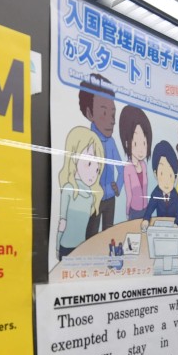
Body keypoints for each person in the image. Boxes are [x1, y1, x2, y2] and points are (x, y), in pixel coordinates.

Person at [78, 74, 122, 237]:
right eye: (104, 112)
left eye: (113, 113)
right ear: (90, 113)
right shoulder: (87, 141)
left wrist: (118, 186)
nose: (112, 120)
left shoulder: (111, 143)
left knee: (108, 235)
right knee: (91, 235)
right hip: (94, 198)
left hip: (110, 198)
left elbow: (121, 168)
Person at [55, 127, 105, 260]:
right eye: (88, 164)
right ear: (74, 158)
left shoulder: (91, 194)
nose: (93, 174)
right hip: (66, 248)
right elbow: (62, 222)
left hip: (82, 248)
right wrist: (57, 247)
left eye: (97, 169)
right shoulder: (69, 189)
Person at [118, 105, 151, 220]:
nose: (142, 149)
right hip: (134, 211)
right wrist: (127, 213)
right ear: (127, 143)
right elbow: (129, 194)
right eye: (136, 143)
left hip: (145, 209)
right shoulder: (127, 168)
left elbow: (145, 190)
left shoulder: (144, 165)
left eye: (144, 143)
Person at [140, 141, 178, 229]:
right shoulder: (156, 193)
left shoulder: (175, 195)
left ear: (175, 176)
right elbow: (149, 209)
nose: (166, 182)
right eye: (162, 174)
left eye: (170, 175)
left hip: (173, 227)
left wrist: (176, 224)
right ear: (156, 174)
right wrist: (146, 220)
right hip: (160, 227)